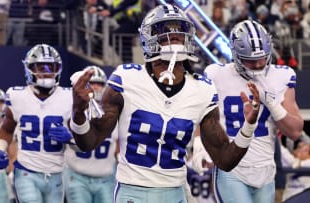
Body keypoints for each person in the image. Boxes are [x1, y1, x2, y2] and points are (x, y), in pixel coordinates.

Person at [70, 4, 261, 203]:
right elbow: (88, 142)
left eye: (180, 30)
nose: (175, 35)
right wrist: (78, 111)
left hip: (175, 193)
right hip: (132, 193)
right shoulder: (126, 79)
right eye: (167, 30)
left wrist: (249, 126)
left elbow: (225, 160)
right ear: (149, 37)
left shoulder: (203, 90)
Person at [199, 20, 304, 203]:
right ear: (236, 55)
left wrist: (271, 102)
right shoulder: (216, 75)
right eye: (250, 60)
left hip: (266, 169)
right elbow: (202, 118)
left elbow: (295, 131)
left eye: (262, 58)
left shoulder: (281, 76)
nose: (257, 65)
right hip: (232, 169)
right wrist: (201, 146)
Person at [0, 43, 73, 203]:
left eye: (51, 67)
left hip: (56, 172)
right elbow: (7, 129)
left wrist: (71, 137)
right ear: (29, 69)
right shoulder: (16, 96)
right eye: (41, 67)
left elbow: (82, 141)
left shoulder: (69, 97)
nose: (47, 72)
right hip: (26, 171)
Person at [64, 65, 118, 203]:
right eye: (91, 83)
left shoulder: (113, 114)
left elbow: (118, 147)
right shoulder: (71, 110)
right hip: (77, 175)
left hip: (106, 177)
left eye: (99, 84)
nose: (95, 87)